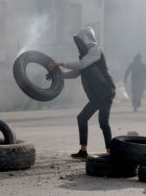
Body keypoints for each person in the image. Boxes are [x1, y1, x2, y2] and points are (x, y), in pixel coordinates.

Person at [47, 27, 116, 160]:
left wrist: (60, 63)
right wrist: (58, 75)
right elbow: (75, 73)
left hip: (106, 91)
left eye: (80, 41)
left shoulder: (96, 51)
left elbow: (81, 65)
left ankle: (110, 152)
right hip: (97, 95)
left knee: (103, 122)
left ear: (85, 39)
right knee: (82, 118)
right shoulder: (86, 56)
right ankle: (83, 151)